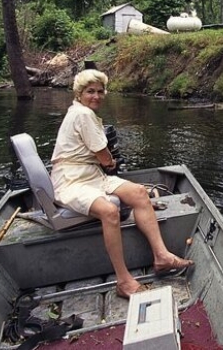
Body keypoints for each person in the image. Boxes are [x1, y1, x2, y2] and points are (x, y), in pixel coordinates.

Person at [51, 69, 192, 298]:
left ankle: (162, 256)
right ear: (79, 93)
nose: (96, 96)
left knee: (138, 192)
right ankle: (123, 280)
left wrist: (106, 164)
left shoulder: (82, 112)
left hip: (91, 176)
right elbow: (104, 156)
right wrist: (110, 162)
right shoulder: (83, 115)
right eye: (90, 92)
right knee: (110, 211)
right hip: (70, 180)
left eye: (99, 91)